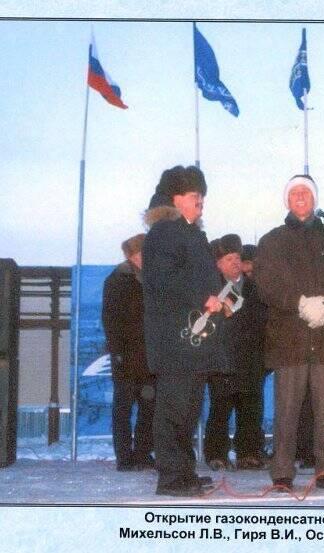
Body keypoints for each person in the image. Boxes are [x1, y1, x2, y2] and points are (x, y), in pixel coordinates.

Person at [254, 174, 324, 491]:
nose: (300, 197)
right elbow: (265, 284)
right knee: (287, 409)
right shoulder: (271, 241)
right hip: (289, 338)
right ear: (287, 200)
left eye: (306, 193)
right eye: (295, 193)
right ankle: (282, 472)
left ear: (315, 199)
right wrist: (299, 303)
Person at [141, 165, 226, 496]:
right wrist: (203, 296)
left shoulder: (190, 233)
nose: (201, 201)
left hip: (190, 339)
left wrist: (219, 299)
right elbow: (165, 280)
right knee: (175, 409)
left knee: (188, 410)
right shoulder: (165, 232)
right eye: (195, 196)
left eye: (202, 196)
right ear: (175, 199)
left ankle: (184, 471)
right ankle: (171, 478)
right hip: (174, 340)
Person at [203, 234, 269, 471]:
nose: (234, 262)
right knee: (220, 407)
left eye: (237, 258)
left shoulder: (255, 287)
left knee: (251, 407)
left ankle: (249, 453)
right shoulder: (210, 288)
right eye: (229, 258)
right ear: (218, 263)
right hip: (221, 359)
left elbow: (263, 321)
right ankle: (216, 454)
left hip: (251, 358)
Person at [101, 233, 156, 471]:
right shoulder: (117, 280)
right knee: (123, 409)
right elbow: (110, 320)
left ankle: (143, 454)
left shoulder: (155, 279)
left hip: (150, 356)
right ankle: (124, 457)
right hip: (126, 355)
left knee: (149, 408)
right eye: (142, 253)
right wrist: (117, 352)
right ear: (132, 256)